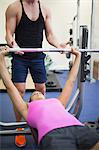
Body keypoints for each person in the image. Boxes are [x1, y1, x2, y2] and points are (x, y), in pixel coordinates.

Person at [0, 47, 99, 150]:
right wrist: (1, 58)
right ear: (30, 102)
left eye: (37, 92)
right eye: (34, 94)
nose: (37, 92)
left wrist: (78, 56)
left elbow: (71, 81)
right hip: (53, 135)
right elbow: (10, 86)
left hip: (78, 128)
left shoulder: (57, 102)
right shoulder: (26, 109)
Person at [5, 0, 68, 146]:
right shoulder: (14, 7)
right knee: (19, 91)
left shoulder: (45, 9)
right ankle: (19, 127)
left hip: (37, 56)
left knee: (41, 90)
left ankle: (41, 121)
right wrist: (14, 46)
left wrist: (59, 45)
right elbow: (8, 34)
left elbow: (50, 35)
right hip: (19, 57)